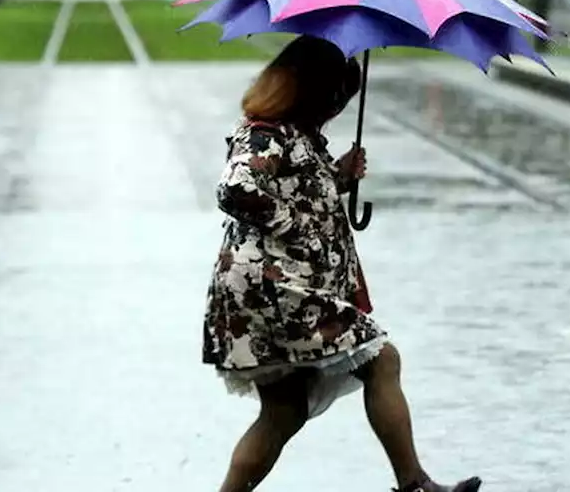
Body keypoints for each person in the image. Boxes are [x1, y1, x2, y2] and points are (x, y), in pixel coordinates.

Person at [204, 35, 482, 492]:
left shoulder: (296, 135)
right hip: (274, 288)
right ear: (308, 90)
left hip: (267, 287)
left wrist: (336, 177)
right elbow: (235, 189)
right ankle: (413, 484)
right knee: (380, 359)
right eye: (334, 97)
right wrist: (293, 226)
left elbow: (297, 192)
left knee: (284, 411)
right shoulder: (266, 134)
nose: (336, 108)